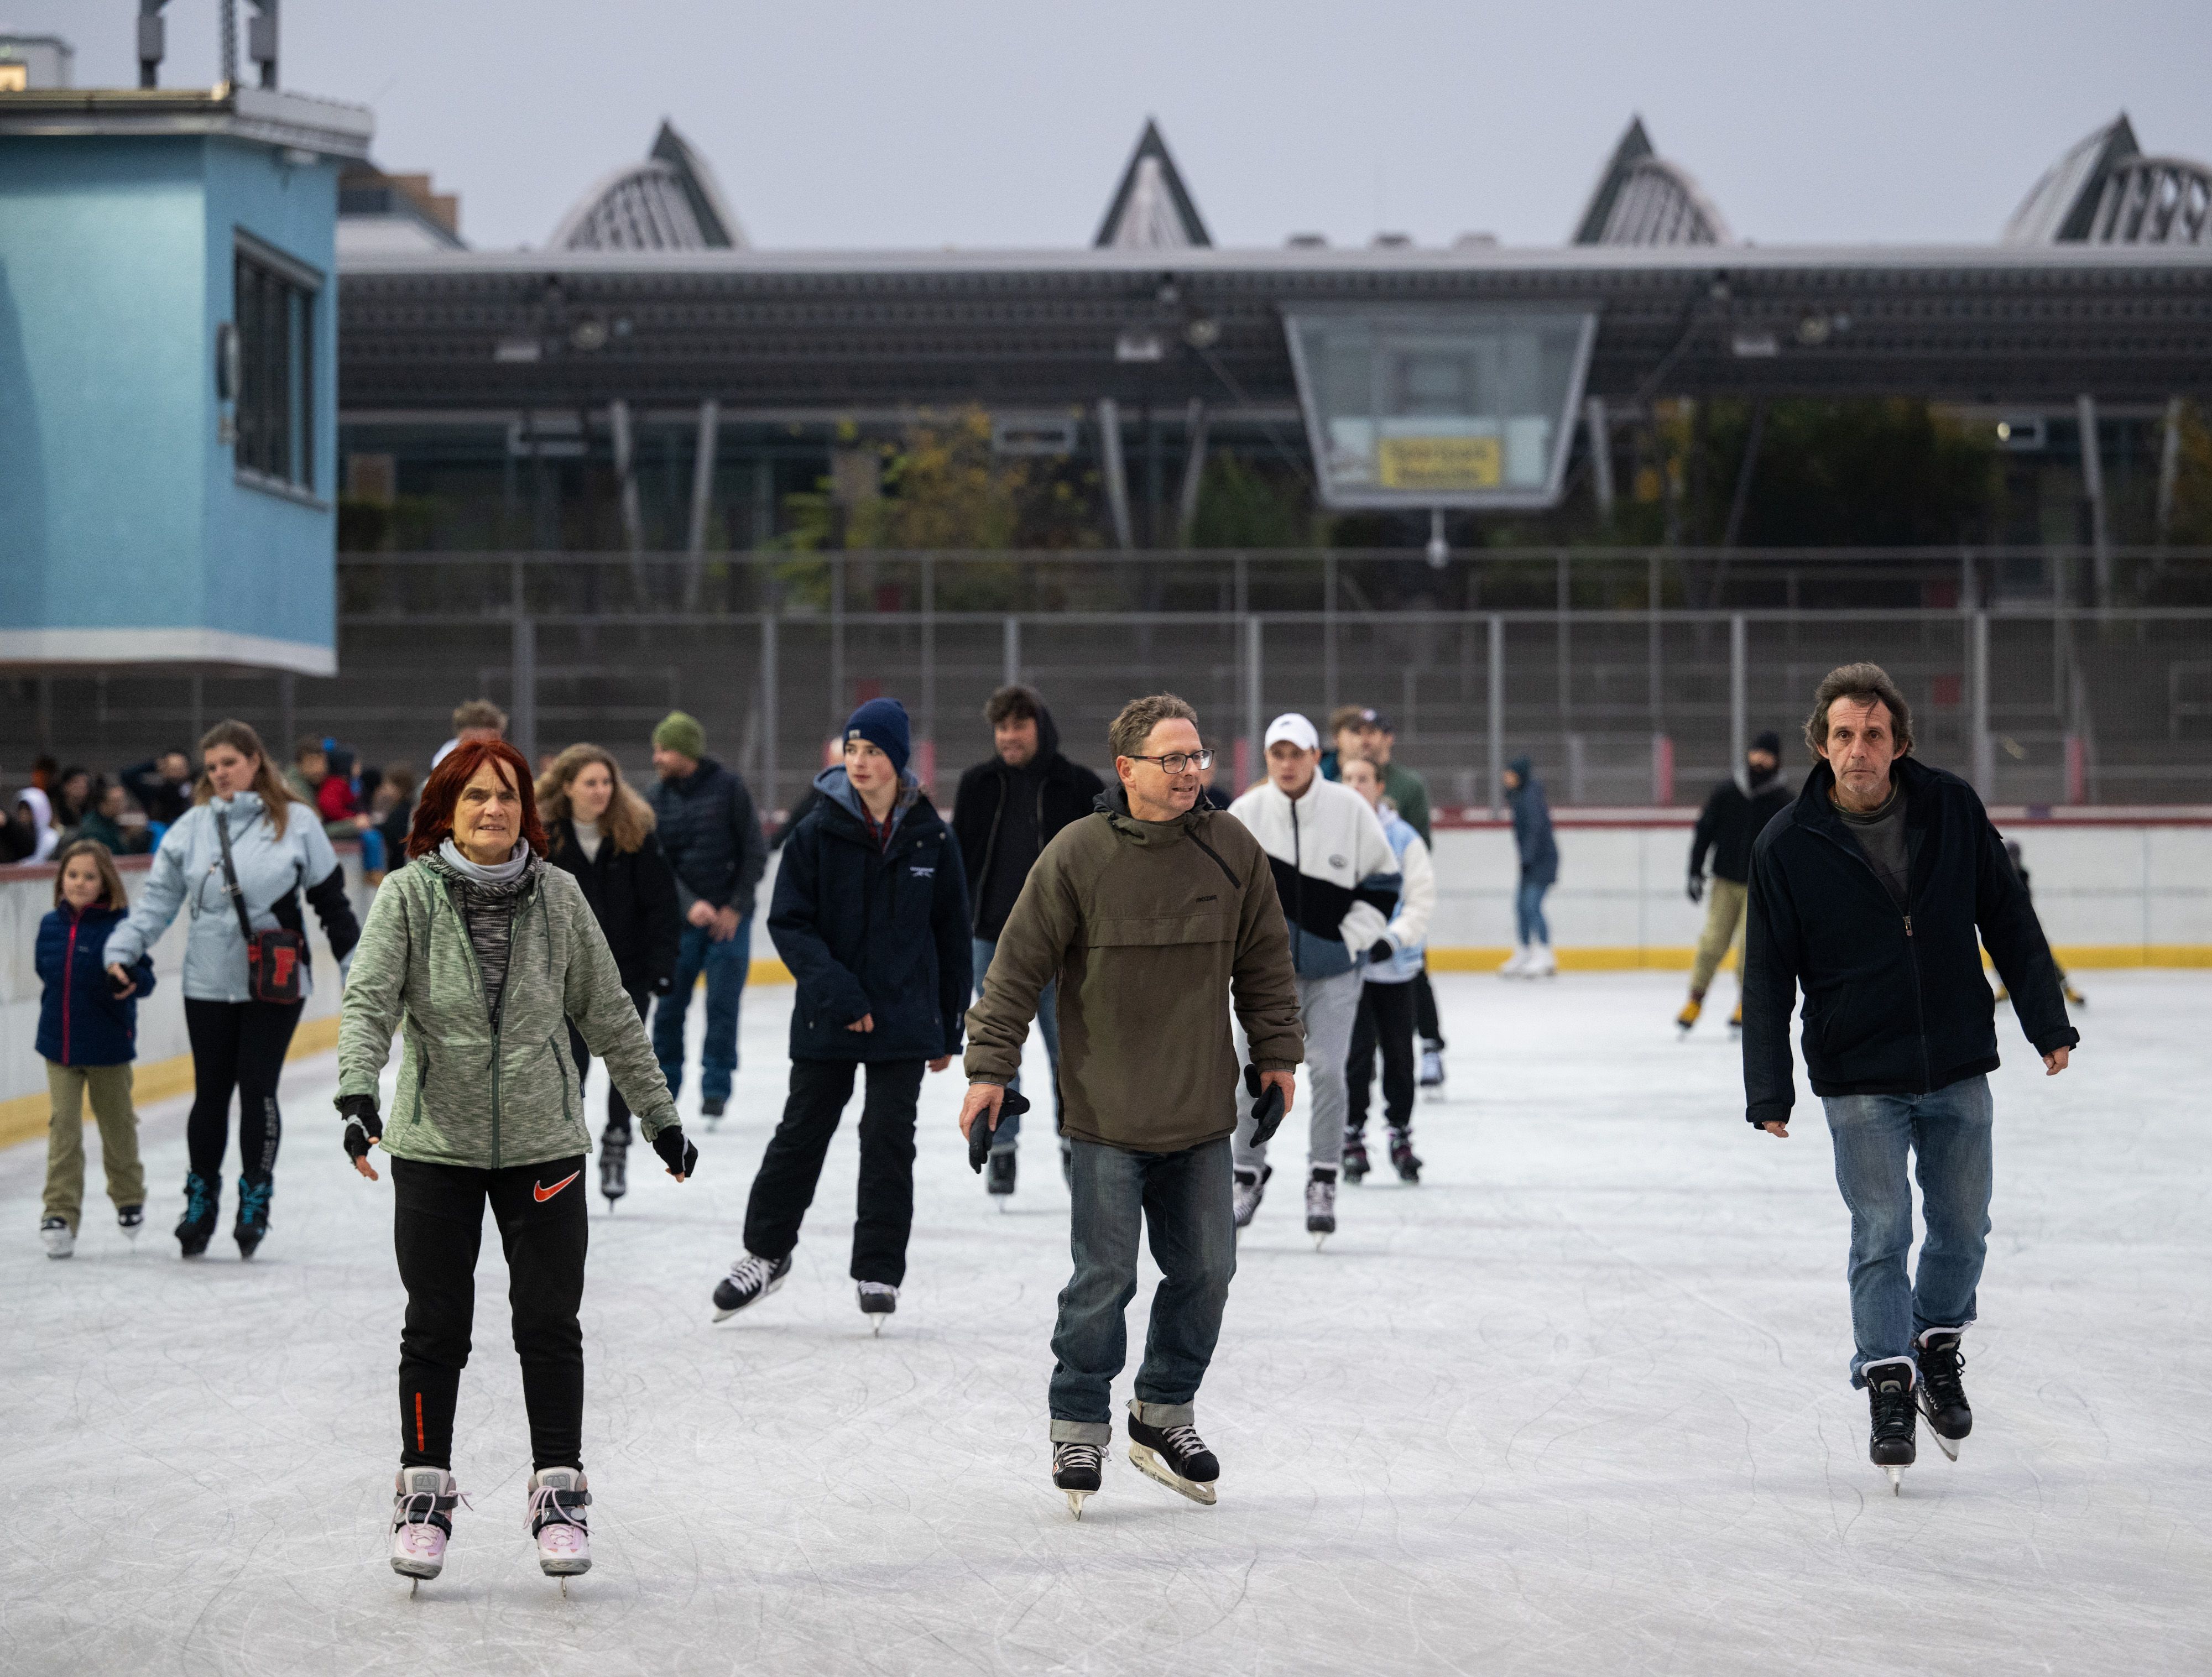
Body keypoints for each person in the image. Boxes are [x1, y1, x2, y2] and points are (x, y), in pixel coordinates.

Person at [337, 738, 695, 1587]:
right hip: (436, 1144)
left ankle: (560, 1496)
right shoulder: (409, 895)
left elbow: (609, 1011)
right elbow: (369, 1000)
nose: (492, 809)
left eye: (505, 795)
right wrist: (357, 1092)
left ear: (525, 808)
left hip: (544, 1143)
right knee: (435, 1325)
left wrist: (658, 1114)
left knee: (548, 1323)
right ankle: (423, 1496)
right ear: (446, 810)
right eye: (474, 796)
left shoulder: (559, 895)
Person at [960, 692, 1302, 1514]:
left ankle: (1163, 1411)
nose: (1189, 772)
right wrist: (989, 1071)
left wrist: (1278, 1057)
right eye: (1171, 759)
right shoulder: (1078, 854)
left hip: (1200, 1111)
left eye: (1197, 756)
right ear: (1127, 769)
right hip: (1105, 1113)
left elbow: (1265, 962)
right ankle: (1078, 1422)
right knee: (1104, 1278)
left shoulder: (1230, 849)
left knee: (1208, 1271)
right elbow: (1014, 970)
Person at [1743, 662, 2078, 1491]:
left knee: (1964, 1229)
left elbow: (2007, 916)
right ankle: (1888, 1383)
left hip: (1955, 1058)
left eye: (1874, 734)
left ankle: (1933, 1343)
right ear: (1821, 745)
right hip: (1858, 1072)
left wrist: (2046, 1020)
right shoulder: (1786, 844)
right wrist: (1769, 1088)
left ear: (1898, 744)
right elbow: (1767, 976)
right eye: (1844, 735)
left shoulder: (1951, 808)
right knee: (1882, 1230)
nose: (1858, 749)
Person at [710, 699, 969, 1330]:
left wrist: (949, 1025)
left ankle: (878, 1269)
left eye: (873, 751)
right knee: (801, 1132)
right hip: (829, 1014)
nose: (859, 761)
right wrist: (840, 995)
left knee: (887, 1140)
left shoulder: (931, 836)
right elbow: (789, 923)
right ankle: (766, 1254)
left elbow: (951, 934)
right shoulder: (815, 829)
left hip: (905, 1016)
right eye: (852, 749)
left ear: (897, 759)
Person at [102, 720, 360, 1260]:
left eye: (230, 763)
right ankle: (200, 1201)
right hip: (207, 981)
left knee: (258, 1087)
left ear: (255, 761)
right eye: (213, 766)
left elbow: (332, 905)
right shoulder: (190, 828)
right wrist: (123, 948)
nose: (220, 773)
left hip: (275, 981)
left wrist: (355, 969)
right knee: (211, 1092)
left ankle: (255, 1199)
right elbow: (157, 903)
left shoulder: (297, 822)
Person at [1227, 713, 1399, 1243]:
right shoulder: (1246, 813)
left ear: (1315, 757)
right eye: (1277, 754)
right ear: (1268, 759)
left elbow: (1385, 881)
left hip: (1334, 974)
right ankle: (1246, 1174)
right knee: (1248, 1075)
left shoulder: (1349, 809)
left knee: (1327, 1071)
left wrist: (1350, 940)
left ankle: (1323, 1177)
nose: (1287, 763)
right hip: (1263, 979)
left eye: (1296, 753)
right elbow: (1221, 891)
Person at [950, 684, 1105, 1198]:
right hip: (992, 942)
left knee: (1070, 1055)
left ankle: (1074, 1146)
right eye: (1001, 727)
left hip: (1063, 947)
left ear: (1041, 727)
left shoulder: (1078, 785)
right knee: (1000, 1051)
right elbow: (959, 863)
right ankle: (1002, 1150)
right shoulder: (977, 784)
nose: (1008, 736)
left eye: (1018, 725)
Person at [538, 744, 682, 1208]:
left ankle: (617, 1140)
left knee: (627, 1062)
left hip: (627, 972)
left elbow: (663, 904)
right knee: (571, 1064)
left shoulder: (634, 834)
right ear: (567, 787)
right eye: (590, 783)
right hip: (565, 975)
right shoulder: (545, 841)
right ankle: (568, 1150)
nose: (601, 791)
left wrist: (663, 965)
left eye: (606, 782)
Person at [648, 711, 768, 1126]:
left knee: (722, 1007)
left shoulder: (730, 789)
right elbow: (655, 863)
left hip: (729, 923)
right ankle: (663, 1091)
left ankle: (716, 1089)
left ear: (686, 752)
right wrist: (688, 905)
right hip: (680, 923)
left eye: (664, 750)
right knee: (668, 1010)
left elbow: (754, 852)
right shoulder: (655, 798)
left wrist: (734, 908)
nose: (657, 758)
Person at [35, 840, 153, 1258]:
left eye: (89, 876)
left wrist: (129, 978)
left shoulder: (123, 928)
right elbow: (45, 972)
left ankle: (129, 1197)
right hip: (59, 1046)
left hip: (108, 1046)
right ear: (61, 879)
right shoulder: (50, 925)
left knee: (117, 1127)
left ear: (106, 882)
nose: (79, 883)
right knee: (63, 1130)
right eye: (72, 875)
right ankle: (59, 1213)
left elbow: (147, 980)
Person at [1337, 755, 1434, 1185]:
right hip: (1350, 969)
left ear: (1380, 786)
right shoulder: (1334, 833)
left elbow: (1420, 899)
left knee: (1399, 1056)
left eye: (1364, 778)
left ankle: (1400, 1133)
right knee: (1355, 1058)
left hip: (1396, 970)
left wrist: (1391, 939)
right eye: (1348, 778)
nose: (1355, 785)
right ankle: (1353, 1135)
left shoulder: (1404, 838)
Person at [1678, 731, 1792, 1033]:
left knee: (1749, 950)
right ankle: (1695, 999)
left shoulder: (1783, 801)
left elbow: (1789, 848)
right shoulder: (1727, 792)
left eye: (1767, 755)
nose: (1760, 759)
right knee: (1711, 944)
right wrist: (1694, 871)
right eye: (1757, 753)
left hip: (1760, 887)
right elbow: (1705, 830)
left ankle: (1745, 1002)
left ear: (1776, 761)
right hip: (1725, 882)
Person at [1993, 839, 2086, 1009]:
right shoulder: (1999, 874)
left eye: (2015, 857)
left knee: (2045, 958)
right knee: (1997, 954)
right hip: (2004, 925)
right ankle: (2003, 988)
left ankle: (2067, 989)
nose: (2013, 860)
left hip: (2025, 925)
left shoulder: (2022, 876)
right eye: (2010, 857)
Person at [1500, 755, 1558, 978]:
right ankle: (1525, 951)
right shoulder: (1520, 796)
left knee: (1532, 906)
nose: (1506, 778)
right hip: (1530, 861)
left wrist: (1528, 858)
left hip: (1541, 861)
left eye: (1510, 774)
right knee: (1521, 907)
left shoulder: (1530, 797)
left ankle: (1545, 953)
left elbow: (1535, 830)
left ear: (1520, 776)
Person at [120, 749, 195, 830]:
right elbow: (127, 776)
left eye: (180, 767)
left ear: (188, 769)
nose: (176, 772)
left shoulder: (195, 791)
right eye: (172, 768)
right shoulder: (153, 793)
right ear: (163, 769)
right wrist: (153, 765)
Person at [431, 698, 507, 770]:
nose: (476, 750)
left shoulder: (507, 762)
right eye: (469, 742)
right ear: (459, 738)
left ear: (498, 738)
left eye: (484, 743)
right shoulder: (445, 759)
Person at [77, 779, 148, 856]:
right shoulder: (94, 831)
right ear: (103, 804)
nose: (124, 805)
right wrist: (129, 839)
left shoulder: (113, 820)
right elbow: (113, 857)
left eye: (124, 799)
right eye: (117, 801)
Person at [374, 761, 418, 875]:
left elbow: (391, 832)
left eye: (387, 786)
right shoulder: (406, 808)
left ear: (398, 788)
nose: (385, 790)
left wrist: (373, 827)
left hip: (400, 865)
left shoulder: (402, 812)